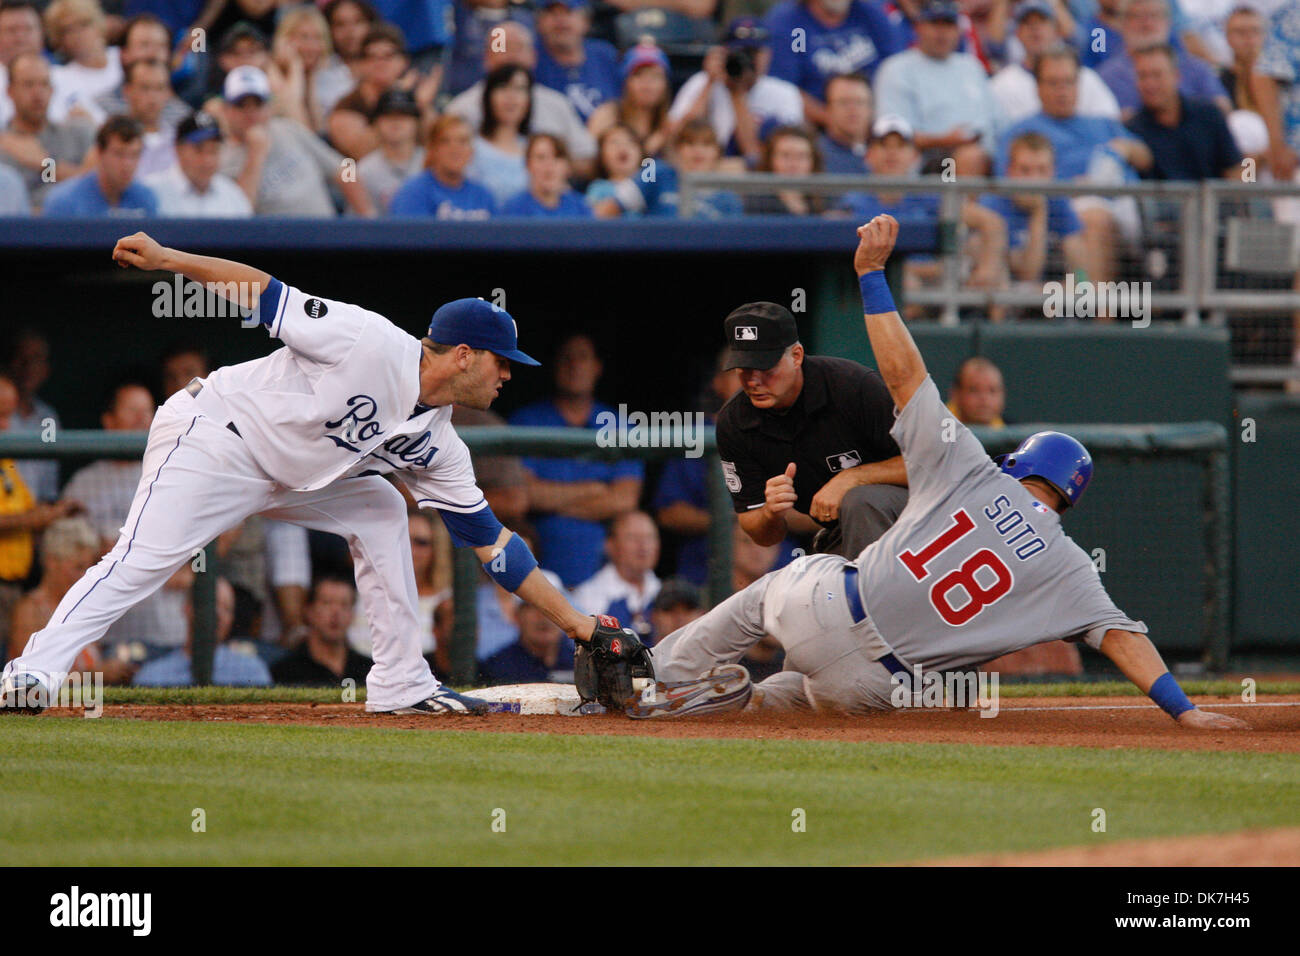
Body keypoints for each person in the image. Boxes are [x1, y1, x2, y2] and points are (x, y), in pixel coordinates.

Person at [632, 214, 1249, 731]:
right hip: (877, 683)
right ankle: (751, 701)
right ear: (1068, 501)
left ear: (1017, 464)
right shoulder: (1069, 566)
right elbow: (1122, 637)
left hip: (831, 605)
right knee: (842, 697)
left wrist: (872, 278)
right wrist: (1184, 710)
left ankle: (646, 676)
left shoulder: (973, 472)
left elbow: (905, 374)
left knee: (761, 599)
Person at [2, 230, 633, 716]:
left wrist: (579, 625)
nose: (508, 374)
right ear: (463, 355)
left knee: (383, 509)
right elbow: (262, 292)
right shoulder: (368, 341)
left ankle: (400, 683)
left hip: (294, 473)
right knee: (142, 560)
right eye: (501, 362)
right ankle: (32, 672)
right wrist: (170, 260)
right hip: (217, 437)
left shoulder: (444, 448)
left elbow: (493, 544)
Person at [715, 298, 908, 562]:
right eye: (743, 369)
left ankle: (872, 597)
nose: (753, 381)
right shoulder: (734, 422)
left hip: (918, 517)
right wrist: (771, 512)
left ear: (796, 356)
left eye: (764, 367)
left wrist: (852, 478)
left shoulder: (852, 386)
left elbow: (930, 462)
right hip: (845, 535)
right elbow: (762, 535)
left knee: (860, 499)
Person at [998, 45, 1153, 285]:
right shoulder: (1020, 133)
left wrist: (1126, 148)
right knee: (1091, 218)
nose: (1062, 90)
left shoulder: (1102, 124)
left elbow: (1146, 158)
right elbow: (1010, 188)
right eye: (1053, 83)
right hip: (1060, 217)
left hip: (1125, 212)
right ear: (1037, 87)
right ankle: (1100, 319)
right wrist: (1069, 189)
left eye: (1069, 82)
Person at [60, 380, 193, 660]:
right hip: (111, 631)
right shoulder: (84, 482)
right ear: (108, 421)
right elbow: (62, 558)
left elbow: (206, 542)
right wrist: (95, 550)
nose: (142, 420)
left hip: (167, 627)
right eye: (132, 411)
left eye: (147, 412)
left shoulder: (175, 472)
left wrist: (187, 569)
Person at [508, 333, 643, 589]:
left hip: (606, 576)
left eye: (582, 358)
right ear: (554, 366)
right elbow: (524, 494)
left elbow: (625, 499)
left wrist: (552, 500)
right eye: (566, 358)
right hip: (535, 571)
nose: (574, 366)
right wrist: (594, 491)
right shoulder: (526, 421)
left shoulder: (619, 424)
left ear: (597, 367)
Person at [843, 115, 1008, 294]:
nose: (892, 153)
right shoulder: (854, 201)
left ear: (914, 156)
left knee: (995, 272)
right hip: (874, 286)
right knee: (906, 284)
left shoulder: (930, 196)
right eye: (884, 145)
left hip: (933, 283)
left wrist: (987, 271)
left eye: (900, 146)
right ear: (869, 154)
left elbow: (992, 222)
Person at [218, 64, 375, 217]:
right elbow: (238, 214)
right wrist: (255, 155)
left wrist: (366, 215)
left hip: (326, 233)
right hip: (277, 241)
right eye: (241, 105)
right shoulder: (222, 159)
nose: (250, 113)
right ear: (226, 110)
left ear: (269, 106)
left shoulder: (287, 129)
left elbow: (343, 169)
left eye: (257, 104)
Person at [445, 20, 596, 174]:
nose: (511, 56)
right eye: (502, 48)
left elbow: (586, 159)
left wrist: (551, 165)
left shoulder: (556, 104)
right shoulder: (462, 108)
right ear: (487, 57)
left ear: (533, 56)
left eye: (518, 48)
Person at [873, 0, 997, 177]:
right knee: (969, 157)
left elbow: (999, 122)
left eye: (948, 25)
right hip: (930, 164)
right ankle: (960, 205)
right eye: (935, 24)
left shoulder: (971, 66)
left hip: (984, 159)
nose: (942, 32)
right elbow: (893, 138)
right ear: (918, 27)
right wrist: (946, 140)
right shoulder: (896, 68)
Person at [7, 517, 130, 681]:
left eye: (89, 567)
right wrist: (96, 675)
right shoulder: (29, 611)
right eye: (78, 567)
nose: (85, 576)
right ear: (52, 562)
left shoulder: (84, 608)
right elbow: (28, 680)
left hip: (89, 703)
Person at [668, 17, 803, 165]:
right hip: (704, 174)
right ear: (724, 52)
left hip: (757, 181)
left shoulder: (784, 93)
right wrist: (709, 83)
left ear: (767, 54)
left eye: (754, 52)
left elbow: (755, 155)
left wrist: (737, 93)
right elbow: (676, 138)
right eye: (741, 52)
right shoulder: (701, 82)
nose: (747, 59)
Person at [764, 0, 901, 127]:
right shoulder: (792, 25)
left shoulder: (868, 12)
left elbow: (894, 66)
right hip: (818, 127)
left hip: (875, 118)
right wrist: (836, 122)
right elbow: (786, 90)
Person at [990, 0, 1121, 128]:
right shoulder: (1002, 84)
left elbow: (1110, 125)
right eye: (1027, 23)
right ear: (1017, 33)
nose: (1035, 29)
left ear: (1056, 30)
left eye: (1042, 21)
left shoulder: (1085, 77)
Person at [977, 131, 1084, 283]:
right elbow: (1027, 275)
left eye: (1042, 170)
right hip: (1006, 293)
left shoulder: (1058, 201)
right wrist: (1039, 212)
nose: (1034, 180)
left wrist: (1078, 282)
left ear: (1052, 172)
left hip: (1047, 294)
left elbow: (1079, 264)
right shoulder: (992, 204)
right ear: (1010, 171)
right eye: (1025, 170)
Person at [1125, 42, 1243, 179]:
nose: (1150, 84)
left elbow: (1234, 169)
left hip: (1211, 199)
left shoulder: (1209, 115)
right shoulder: (1132, 130)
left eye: (1157, 75)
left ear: (1176, 76)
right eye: (1143, 76)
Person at [1097, 0, 1230, 118]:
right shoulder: (1107, 76)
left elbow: (1222, 106)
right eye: (1137, 17)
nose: (1147, 24)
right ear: (1122, 23)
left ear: (1168, 22)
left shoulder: (1195, 67)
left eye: (1154, 16)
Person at [0, 52, 96, 212]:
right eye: (28, 84)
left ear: (52, 90)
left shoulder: (75, 134)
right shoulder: (3, 143)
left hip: (73, 228)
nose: (38, 93)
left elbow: (96, 186)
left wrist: (44, 164)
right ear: (10, 91)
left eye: (44, 84)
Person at [133, 577, 273, 687]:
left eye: (226, 609)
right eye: (211, 604)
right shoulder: (153, 676)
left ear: (232, 619)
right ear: (187, 607)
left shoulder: (252, 672)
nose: (218, 614)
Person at [1219, 4, 1294, 181]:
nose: (1249, 39)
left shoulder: (1284, 80)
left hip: (1287, 159)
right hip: (1248, 169)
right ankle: (1248, 194)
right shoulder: (1220, 83)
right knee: (1242, 124)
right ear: (1228, 37)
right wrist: (1262, 157)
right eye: (1240, 32)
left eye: (1255, 31)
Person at [571, 511, 662, 644]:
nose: (643, 546)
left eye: (649, 537)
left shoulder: (666, 593)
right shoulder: (587, 598)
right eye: (633, 538)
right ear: (610, 545)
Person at [43, 114, 160, 217]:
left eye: (134, 155)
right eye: (119, 154)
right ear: (99, 153)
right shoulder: (64, 202)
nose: (127, 164)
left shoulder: (146, 198)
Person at [89, 13, 190, 130]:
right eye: (144, 45)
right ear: (123, 53)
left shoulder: (183, 117)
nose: (153, 53)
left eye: (161, 46)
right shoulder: (97, 109)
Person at [146, 109, 254, 217]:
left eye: (214, 150)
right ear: (178, 149)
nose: (207, 160)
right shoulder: (152, 192)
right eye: (199, 150)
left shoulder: (232, 194)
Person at [388, 113, 496, 218]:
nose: (455, 149)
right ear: (432, 149)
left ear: (472, 151)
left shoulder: (483, 195)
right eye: (445, 141)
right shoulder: (412, 193)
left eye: (462, 141)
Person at [271, 575, 371, 687]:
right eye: (327, 603)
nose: (336, 613)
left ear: (352, 614)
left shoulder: (369, 670)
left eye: (344, 605)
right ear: (309, 610)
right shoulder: (285, 672)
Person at [533, 0, 619, 124]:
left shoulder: (605, 55)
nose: (560, 21)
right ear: (540, 22)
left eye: (568, 12)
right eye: (552, 13)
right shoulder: (531, 58)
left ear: (586, 21)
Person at [3, 329, 62, 504]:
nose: (28, 366)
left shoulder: (48, 418)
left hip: (36, 514)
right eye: (21, 358)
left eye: (36, 359)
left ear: (46, 369)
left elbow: (49, 484)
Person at [588, 42, 674, 159]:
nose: (647, 83)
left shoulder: (668, 123)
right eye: (639, 75)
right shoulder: (608, 115)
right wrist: (650, 146)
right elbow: (589, 161)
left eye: (656, 76)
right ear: (626, 82)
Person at [45, 0, 122, 122]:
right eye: (68, 30)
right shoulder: (58, 77)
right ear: (59, 39)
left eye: (84, 24)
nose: (78, 34)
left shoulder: (124, 57)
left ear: (98, 24)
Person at [467, 63, 531, 205]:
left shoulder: (537, 149)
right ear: (488, 96)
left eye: (520, 89)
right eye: (503, 87)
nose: (511, 97)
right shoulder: (470, 147)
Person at [356, 87, 424, 212]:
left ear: (416, 122)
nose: (396, 122)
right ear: (376, 122)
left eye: (403, 115)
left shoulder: (431, 163)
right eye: (388, 116)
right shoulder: (365, 170)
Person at [479, 601, 575, 684]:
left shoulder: (583, 664)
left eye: (552, 608)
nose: (543, 616)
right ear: (517, 616)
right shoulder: (497, 667)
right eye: (533, 607)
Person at [501, 132, 592, 217]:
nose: (549, 165)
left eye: (557, 157)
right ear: (528, 165)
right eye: (541, 157)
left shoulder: (581, 207)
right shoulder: (513, 209)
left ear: (567, 166)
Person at [742, 124, 827, 215]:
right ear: (771, 160)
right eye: (785, 155)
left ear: (813, 161)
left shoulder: (827, 199)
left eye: (801, 156)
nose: (793, 163)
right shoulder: (756, 203)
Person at [116, 58, 179, 177]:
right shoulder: (111, 141)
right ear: (127, 91)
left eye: (159, 88)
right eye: (145, 88)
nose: (152, 97)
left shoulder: (180, 142)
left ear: (168, 93)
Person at [672, 119, 743, 219]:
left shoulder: (728, 201)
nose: (698, 150)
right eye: (690, 143)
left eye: (706, 144)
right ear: (678, 149)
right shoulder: (659, 177)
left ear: (717, 152)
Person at [816, 73, 872, 173]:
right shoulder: (815, 155)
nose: (853, 109)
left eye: (859, 102)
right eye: (844, 102)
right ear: (828, 108)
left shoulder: (886, 154)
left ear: (870, 108)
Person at [0, 0, 44, 130]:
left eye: (28, 29)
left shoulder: (65, 78)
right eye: (12, 30)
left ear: (41, 34)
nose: (20, 38)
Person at [584, 122, 644, 215]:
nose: (623, 147)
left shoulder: (648, 186)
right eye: (614, 142)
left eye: (630, 142)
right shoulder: (598, 188)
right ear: (601, 156)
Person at [946, 356, 1006, 426]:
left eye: (992, 391)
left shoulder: (1012, 432)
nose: (984, 398)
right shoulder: (935, 430)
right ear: (955, 394)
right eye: (974, 390)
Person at [648, 578, 704, 647]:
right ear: (654, 616)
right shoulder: (636, 656)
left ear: (702, 615)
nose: (680, 618)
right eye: (670, 610)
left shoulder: (715, 655)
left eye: (688, 610)